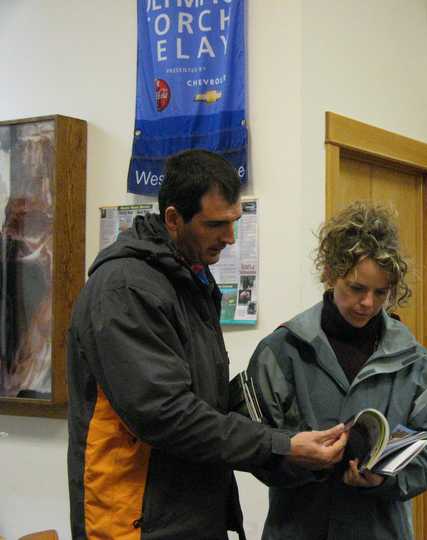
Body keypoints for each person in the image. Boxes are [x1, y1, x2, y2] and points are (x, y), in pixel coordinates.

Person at [66, 149, 347, 540]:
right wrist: (278, 444)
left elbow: (205, 402)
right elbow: (165, 413)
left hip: (193, 511)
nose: (230, 238)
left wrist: (289, 444)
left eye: (234, 221)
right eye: (215, 224)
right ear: (173, 219)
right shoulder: (124, 288)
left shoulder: (189, 278)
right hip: (135, 519)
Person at [245, 201, 427, 540]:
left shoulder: (417, 363)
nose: (368, 304)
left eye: (381, 292)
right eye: (357, 289)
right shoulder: (281, 351)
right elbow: (250, 440)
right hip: (298, 528)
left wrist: (387, 479)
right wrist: (296, 456)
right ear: (331, 274)